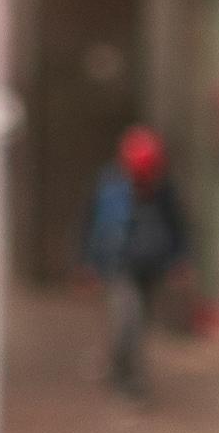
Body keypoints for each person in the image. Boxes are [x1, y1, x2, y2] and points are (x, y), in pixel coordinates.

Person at [82, 122, 192, 404]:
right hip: (120, 266)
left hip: (152, 267)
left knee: (139, 323)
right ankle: (127, 378)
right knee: (126, 320)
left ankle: (127, 369)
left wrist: (180, 259)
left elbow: (179, 225)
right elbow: (90, 223)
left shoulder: (163, 190)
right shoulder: (110, 186)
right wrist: (88, 262)